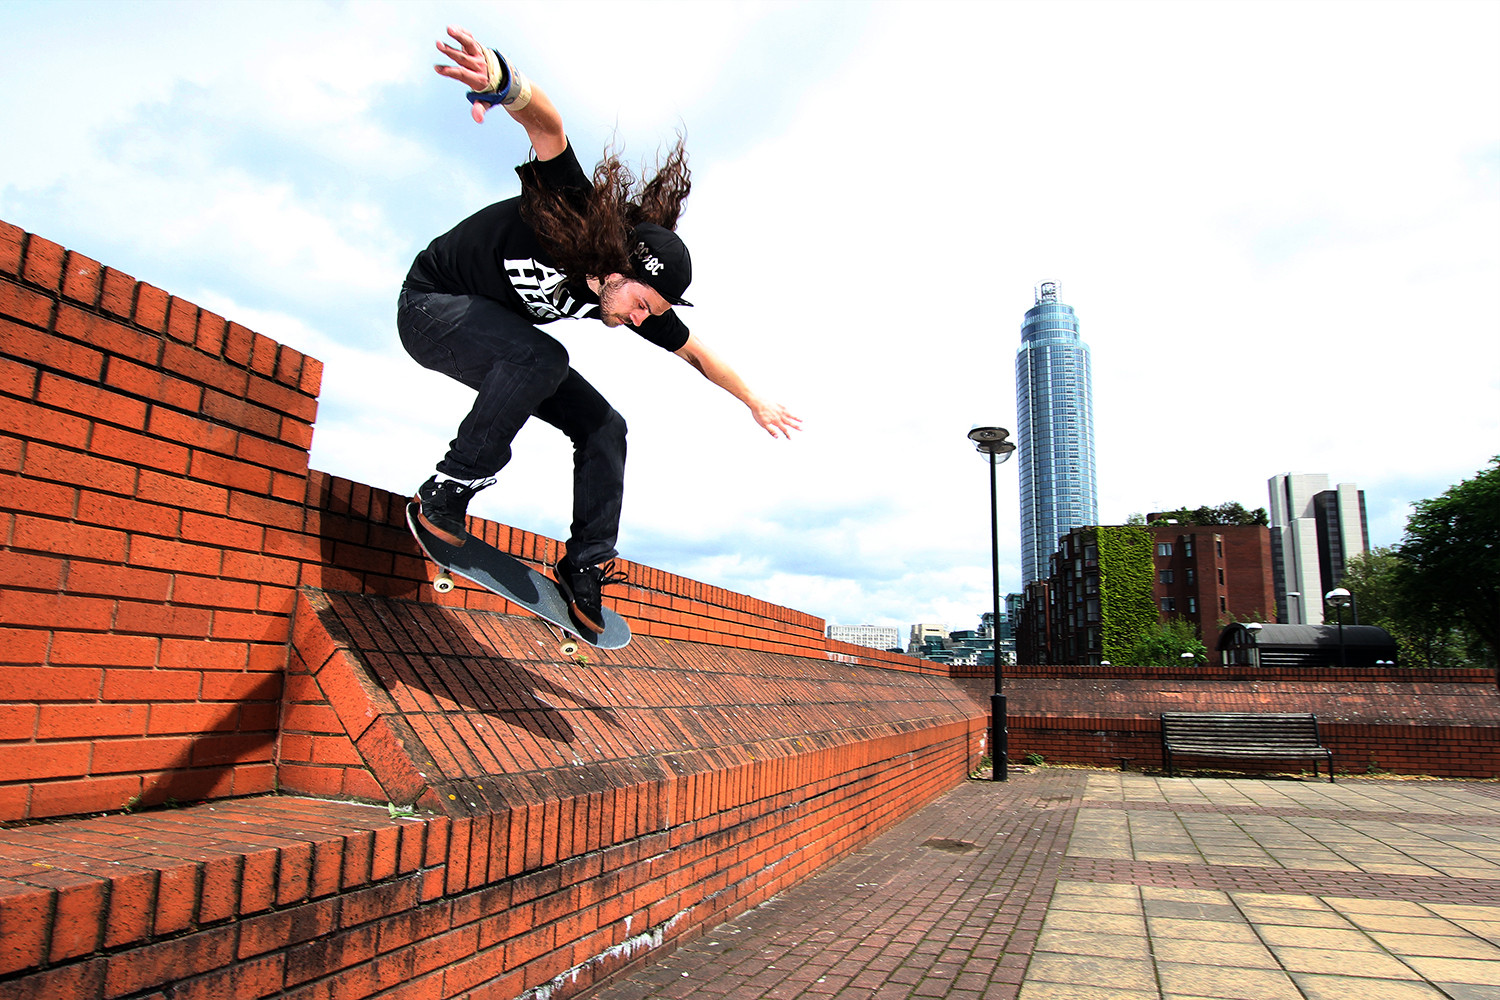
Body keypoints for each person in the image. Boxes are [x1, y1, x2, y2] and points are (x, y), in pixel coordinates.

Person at [400, 25, 800, 634]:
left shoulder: (629, 303)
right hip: (430, 306)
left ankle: (584, 565)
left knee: (604, 425)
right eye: (641, 304)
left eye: (648, 314)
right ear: (619, 267)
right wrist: (502, 82)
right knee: (543, 357)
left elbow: (696, 354)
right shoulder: (577, 213)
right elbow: (549, 129)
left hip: (500, 343)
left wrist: (755, 400)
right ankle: (449, 490)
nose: (639, 320)